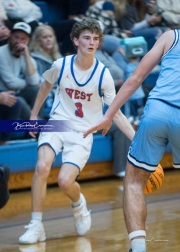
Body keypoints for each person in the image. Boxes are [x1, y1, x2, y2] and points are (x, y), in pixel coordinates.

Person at [18, 17, 135, 244]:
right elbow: (45, 87)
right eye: (86, 38)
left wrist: (136, 138)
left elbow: (116, 113)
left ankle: (79, 204)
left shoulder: (103, 75)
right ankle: (36, 225)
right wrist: (33, 115)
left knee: (65, 181)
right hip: (57, 122)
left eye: (95, 38)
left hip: (83, 130)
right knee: (42, 166)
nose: (92, 42)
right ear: (75, 41)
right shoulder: (60, 65)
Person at [83, 28, 180, 252]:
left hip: (158, 110)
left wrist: (108, 116)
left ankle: (138, 248)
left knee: (135, 182)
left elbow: (136, 78)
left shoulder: (171, 36)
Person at [0, 22, 42, 120]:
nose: (18, 41)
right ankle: (40, 129)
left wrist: (27, 56)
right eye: (16, 37)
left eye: (23, 39)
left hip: (16, 91)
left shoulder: (24, 54)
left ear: (27, 41)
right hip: (4, 93)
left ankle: (37, 126)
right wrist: (28, 83)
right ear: (10, 36)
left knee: (38, 90)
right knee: (19, 100)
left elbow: (34, 81)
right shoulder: (1, 53)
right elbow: (11, 83)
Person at [29, 24, 62, 117]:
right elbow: (40, 81)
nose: (48, 39)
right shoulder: (35, 58)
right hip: (48, 96)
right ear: (38, 40)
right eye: (45, 37)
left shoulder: (58, 56)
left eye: (50, 36)